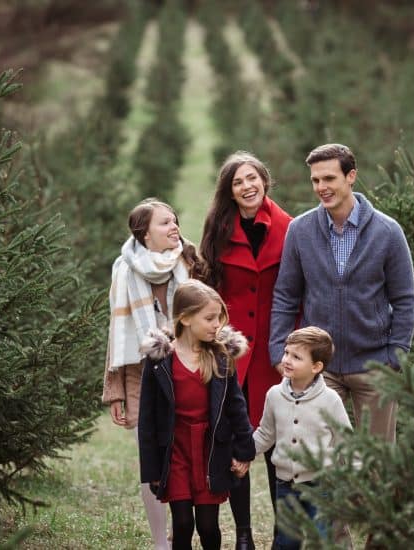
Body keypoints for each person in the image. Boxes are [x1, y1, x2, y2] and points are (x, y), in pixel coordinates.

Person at [269, 143, 414, 443]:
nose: (321, 187)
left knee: (377, 462)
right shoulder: (300, 230)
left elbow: (405, 300)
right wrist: (278, 352)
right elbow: (286, 296)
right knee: (319, 461)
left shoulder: (387, 232)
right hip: (319, 368)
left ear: (351, 177)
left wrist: (394, 357)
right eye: (315, 180)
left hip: (375, 366)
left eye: (329, 179)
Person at [199, 151, 292, 548]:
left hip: (275, 350)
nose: (247, 186)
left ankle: (283, 536)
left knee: (277, 445)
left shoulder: (290, 226)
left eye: (252, 178)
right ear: (230, 192)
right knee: (239, 440)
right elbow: (208, 285)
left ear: (264, 181)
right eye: (238, 182)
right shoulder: (218, 229)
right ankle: (243, 534)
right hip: (233, 351)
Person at [101, 198, 200, 550]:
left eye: (175, 220)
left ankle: (183, 530)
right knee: (151, 458)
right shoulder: (123, 271)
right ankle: (161, 541)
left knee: (187, 455)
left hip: (187, 369)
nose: (174, 227)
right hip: (142, 375)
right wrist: (115, 390)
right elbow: (117, 332)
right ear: (144, 233)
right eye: (164, 223)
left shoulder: (190, 262)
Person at [138, 279, 257, 550]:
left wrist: (244, 452)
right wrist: (152, 469)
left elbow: (236, 407)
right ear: (186, 318)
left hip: (209, 450)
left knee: (207, 526)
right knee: (182, 524)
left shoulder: (220, 356)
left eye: (219, 318)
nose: (218, 325)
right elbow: (147, 420)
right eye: (210, 318)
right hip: (175, 448)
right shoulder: (159, 360)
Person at [242, 326, 352, 549]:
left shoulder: (330, 400)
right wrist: (244, 453)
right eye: (286, 353)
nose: (287, 360)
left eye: (296, 357)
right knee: (286, 541)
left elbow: (346, 441)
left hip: (320, 485)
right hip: (285, 484)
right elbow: (266, 433)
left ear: (316, 366)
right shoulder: (274, 395)